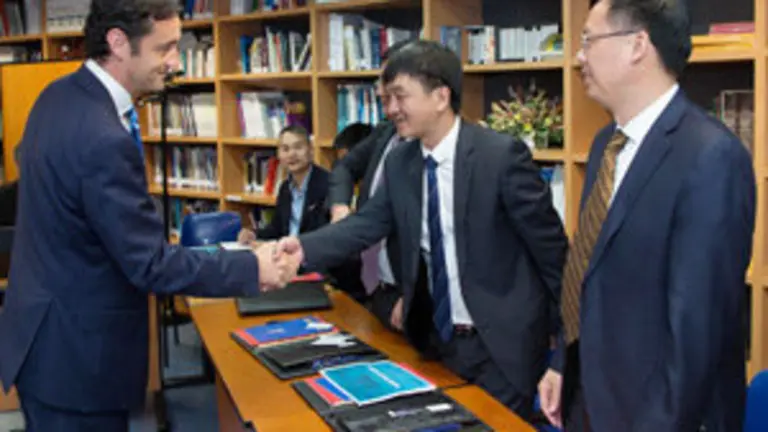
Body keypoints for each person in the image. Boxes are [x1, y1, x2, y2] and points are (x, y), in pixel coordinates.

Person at [0, 1, 299, 430]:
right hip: (77, 360)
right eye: (165, 48)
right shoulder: (102, 136)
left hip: (44, 341)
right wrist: (252, 268)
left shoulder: (58, 96)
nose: (176, 62)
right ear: (118, 43)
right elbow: (149, 263)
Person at [277, 40, 567, 419]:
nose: (391, 109)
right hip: (438, 341)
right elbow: (366, 224)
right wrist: (301, 249)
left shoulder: (500, 157)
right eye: (387, 98)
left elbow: (554, 258)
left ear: (440, 97)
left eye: (400, 96)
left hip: (503, 348)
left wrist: (563, 355)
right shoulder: (401, 162)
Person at [537, 1, 755, 431]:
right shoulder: (605, 145)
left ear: (637, 45)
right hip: (592, 397)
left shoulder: (711, 155)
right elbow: (590, 269)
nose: (578, 56)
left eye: (588, 41)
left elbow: (696, 330)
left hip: (658, 415)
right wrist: (563, 362)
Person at [327, 39, 414, 331]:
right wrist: (340, 205)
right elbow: (344, 167)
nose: (381, 91)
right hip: (376, 284)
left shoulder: (433, 150)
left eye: (392, 87)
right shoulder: (385, 133)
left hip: (408, 293)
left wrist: (416, 296)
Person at [238, 125, 367, 302]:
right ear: (279, 155)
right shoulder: (285, 188)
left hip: (318, 272)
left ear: (310, 150)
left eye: (298, 147)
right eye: (285, 149)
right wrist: (254, 234)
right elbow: (277, 228)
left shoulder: (329, 185)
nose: (292, 154)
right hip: (289, 268)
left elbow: (326, 237)